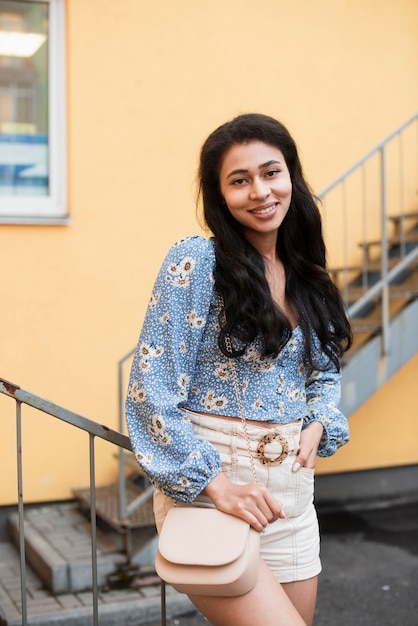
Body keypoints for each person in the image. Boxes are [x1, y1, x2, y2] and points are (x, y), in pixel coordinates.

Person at [126, 113, 352, 626]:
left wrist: (319, 419)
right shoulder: (197, 261)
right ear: (219, 194)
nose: (260, 191)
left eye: (271, 172)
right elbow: (151, 390)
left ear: (291, 175)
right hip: (215, 486)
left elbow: (322, 373)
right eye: (239, 180)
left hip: (292, 495)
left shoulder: (305, 274)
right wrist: (215, 485)